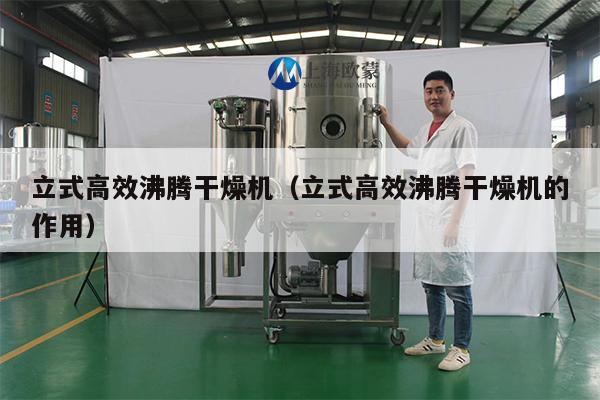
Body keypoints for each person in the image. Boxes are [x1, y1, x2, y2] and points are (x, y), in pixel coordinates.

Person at [379, 70, 477, 372]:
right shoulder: (428, 130)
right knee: (431, 284)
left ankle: (462, 348)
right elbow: (408, 149)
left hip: (449, 216)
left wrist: (455, 222)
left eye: (440, 90)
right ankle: (435, 340)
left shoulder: (462, 128)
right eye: (429, 91)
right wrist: (386, 124)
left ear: (451, 94)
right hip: (427, 219)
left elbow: (468, 175)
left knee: (458, 288)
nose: (434, 96)